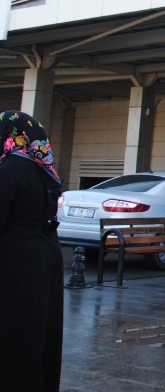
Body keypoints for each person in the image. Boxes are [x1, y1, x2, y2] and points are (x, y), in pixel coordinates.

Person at [0, 111, 64, 392]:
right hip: (46, 255)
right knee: (40, 331)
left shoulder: (7, 170)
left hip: (15, 261)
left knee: (15, 332)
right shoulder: (43, 168)